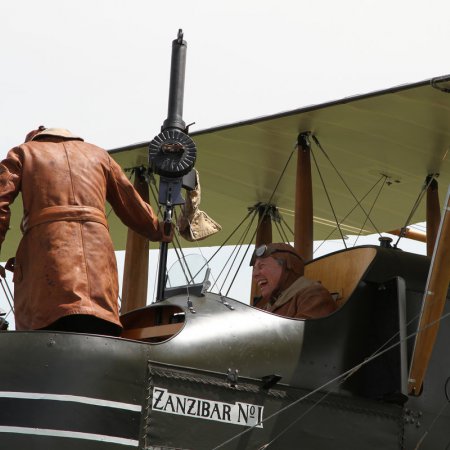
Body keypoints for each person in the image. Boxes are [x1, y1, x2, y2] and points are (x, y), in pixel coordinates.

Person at [0, 126, 172, 336]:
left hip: (46, 274)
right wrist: (159, 230)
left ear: (35, 139)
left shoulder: (24, 152)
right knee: (98, 334)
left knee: (43, 344)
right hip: (98, 269)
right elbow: (132, 204)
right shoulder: (100, 156)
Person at [251, 243, 337, 319]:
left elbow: (303, 335)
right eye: (254, 269)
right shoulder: (266, 306)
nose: (255, 275)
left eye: (261, 266)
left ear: (286, 266)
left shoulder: (313, 296)